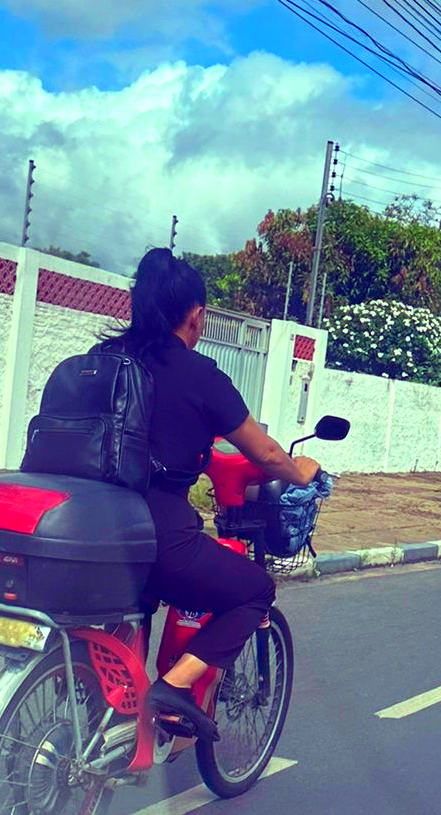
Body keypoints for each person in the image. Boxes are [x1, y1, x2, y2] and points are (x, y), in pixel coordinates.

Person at [105, 248, 320, 741]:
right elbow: (264, 453)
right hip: (155, 531)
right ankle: (174, 687)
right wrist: (301, 472)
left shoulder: (101, 360)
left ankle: (117, 704)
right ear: (196, 314)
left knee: (138, 600)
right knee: (255, 591)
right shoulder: (199, 374)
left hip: (84, 525)